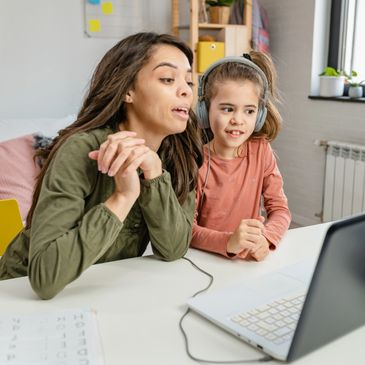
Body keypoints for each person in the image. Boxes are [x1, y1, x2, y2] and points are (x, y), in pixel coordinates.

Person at [0, 32, 203, 299]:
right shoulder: (82, 150)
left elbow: (174, 249)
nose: (186, 90)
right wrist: (123, 196)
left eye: (189, 80)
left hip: (96, 294)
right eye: (167, 79)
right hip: (17, 297)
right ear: (128, 90)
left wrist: (154, 173)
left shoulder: (176, 155)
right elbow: (44, 279)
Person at [191, 52, 291, 261]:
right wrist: (229, 242)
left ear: (260, 115)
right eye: (228, 109)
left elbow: (280, 210)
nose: (238, 120)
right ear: (205, 110)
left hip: (245, 264)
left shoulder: (261, 150)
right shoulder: (195, 161)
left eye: (249, 111)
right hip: (204, 260)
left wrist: (267, 237)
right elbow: (187, 230)